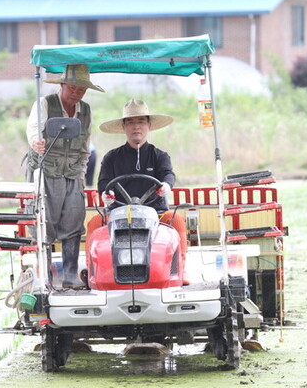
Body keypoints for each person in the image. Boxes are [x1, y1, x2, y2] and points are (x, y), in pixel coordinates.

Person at [26, 63, 105, 288]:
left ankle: (70, 276)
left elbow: (85, 146)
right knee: (44, 221)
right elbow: (32, 129)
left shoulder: (86, 110)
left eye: (81, 89)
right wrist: (36, 142)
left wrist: (81, 172)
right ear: (62, 84)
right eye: (72, 87)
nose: (76, 92)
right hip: (45, 170)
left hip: (72, 173)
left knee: (74, 219)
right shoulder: (44, 104)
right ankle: (46, 278)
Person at [87, 99, 188, 258]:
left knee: (176, 220)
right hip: (118, 212)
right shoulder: (111, 157)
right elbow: (103, 182)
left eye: (141, 121)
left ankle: (182, 264)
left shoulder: (159, 156)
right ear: (123, 126)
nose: (136, 126)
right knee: (94, 223)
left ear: (149, 125)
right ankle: (91, 269)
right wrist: (106, 193)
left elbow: (168, 174)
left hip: (156, 212)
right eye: (130, 122)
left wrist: (166, 185)